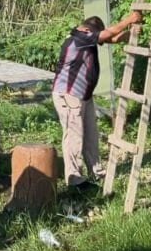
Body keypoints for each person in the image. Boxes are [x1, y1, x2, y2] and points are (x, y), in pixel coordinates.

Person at [52, 12, 142, 188]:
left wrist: (130, 33)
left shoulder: (86, 37)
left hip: (83, 96)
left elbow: (111, 39)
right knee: (74, 136)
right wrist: (129, 20)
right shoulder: (79, 37)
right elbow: (107, 34)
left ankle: (96, 171)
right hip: (68, 96)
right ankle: (73, 178)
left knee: (91, 135)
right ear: (86, 28)